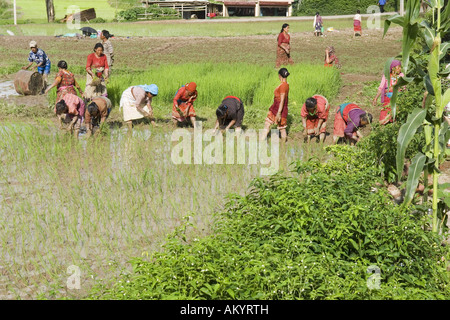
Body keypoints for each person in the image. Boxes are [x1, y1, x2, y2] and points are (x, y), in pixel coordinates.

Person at [260, 68, 290, 143]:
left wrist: (279, 113)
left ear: (279, 75)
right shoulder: (286, 85)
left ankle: (261, 142)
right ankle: (283, 147)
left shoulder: (283, 86)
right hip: (278, 108)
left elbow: (282, 100)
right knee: (281, 128)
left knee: (276, 127)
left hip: (278, 109)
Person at [372, 59, 403, 125]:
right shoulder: (386, 76)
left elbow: (404, 88)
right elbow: (381, 87)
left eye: (400, 67)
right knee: (383, 117)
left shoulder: (401, 75)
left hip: (397, 100)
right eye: (398, 67)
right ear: (393, 68)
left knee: (395, 116)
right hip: (387, 100)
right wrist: (376, 98)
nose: (400, 69)